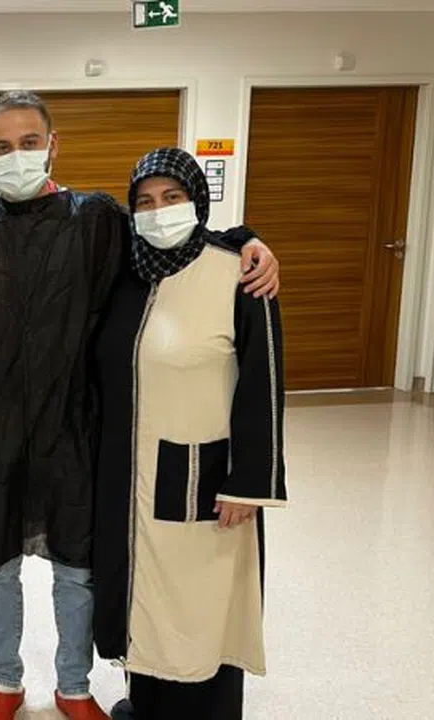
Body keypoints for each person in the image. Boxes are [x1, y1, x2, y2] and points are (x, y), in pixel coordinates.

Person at [0, 92, 280, 720]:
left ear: (52, 144)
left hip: (74, 426)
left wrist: (247, 240)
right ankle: (5, 681)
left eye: (28, 142)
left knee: (76, 566)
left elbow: (175, 238)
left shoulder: (93, 218)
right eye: (2, 146)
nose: (16, 156)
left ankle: (73, 686)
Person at [93, 147, 288, 720]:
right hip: (129, 476)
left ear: (197, 201)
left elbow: (264, 381)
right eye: (145, 201)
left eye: (172, 197)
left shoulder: (238, 272)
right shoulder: (126, 275)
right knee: (143, 601)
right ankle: (146, 705)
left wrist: (249, 482)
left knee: (202, 609)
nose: (159, 212)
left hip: (207, 479)